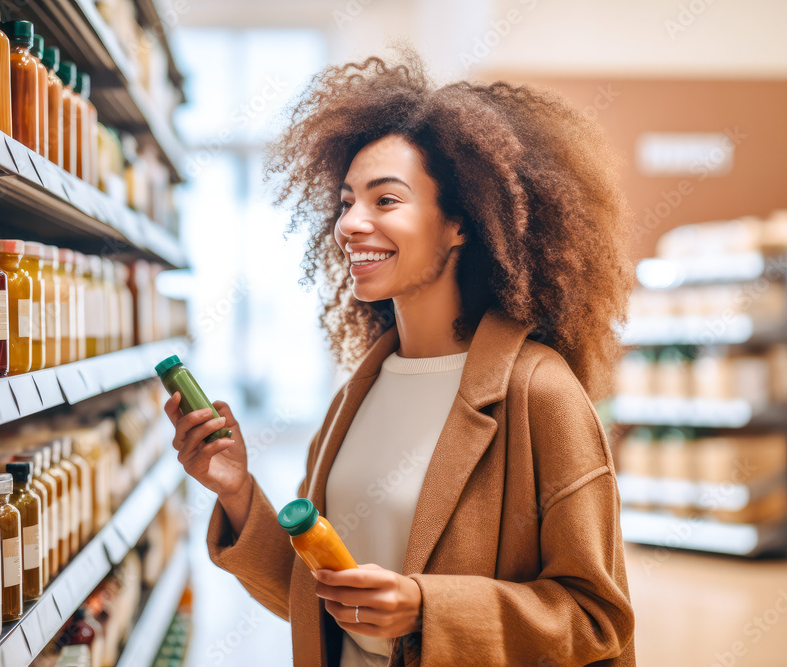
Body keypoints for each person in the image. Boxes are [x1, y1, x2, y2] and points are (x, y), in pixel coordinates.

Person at [165, 52, 636, 666]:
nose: (351, 224)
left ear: (460, 225)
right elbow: (320, 600)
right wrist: (236, 492)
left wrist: (426, 608)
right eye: (345, 202)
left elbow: (597, 619)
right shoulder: (356, 395)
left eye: (385, 201)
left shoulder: (539, 393)